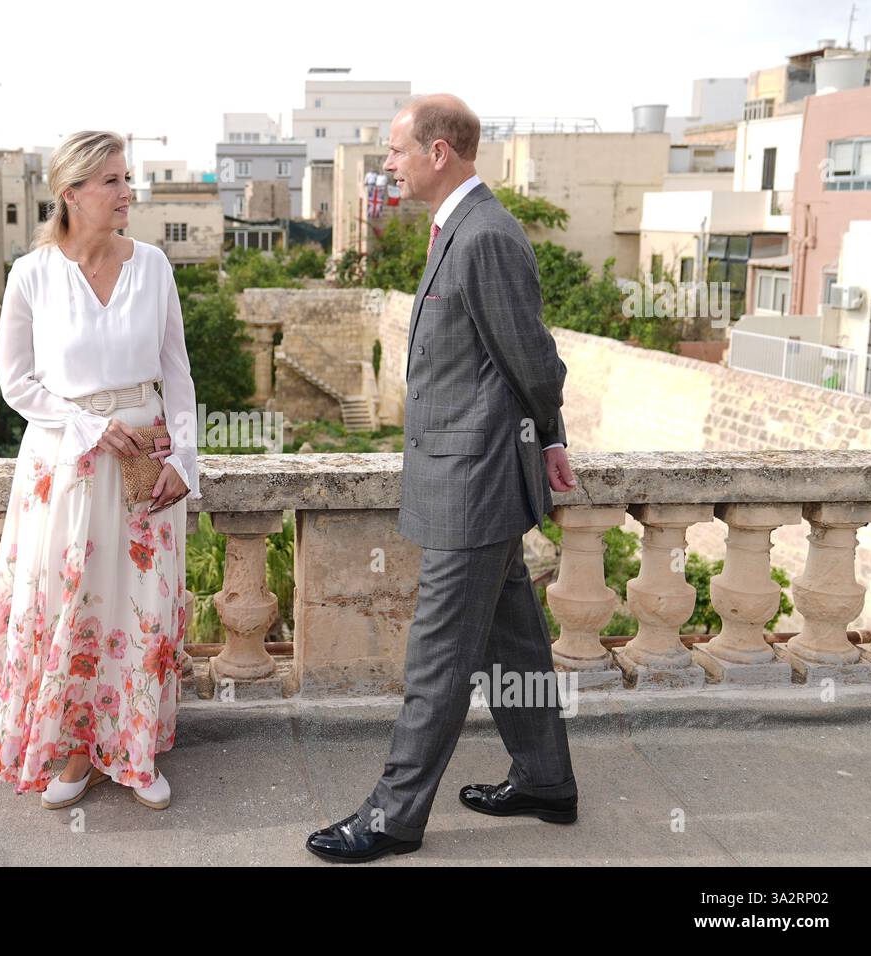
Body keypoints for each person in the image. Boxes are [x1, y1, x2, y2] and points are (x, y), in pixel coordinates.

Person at [305, 94, 579, 863]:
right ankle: (546, 779)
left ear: (437, 154)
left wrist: (550, 436)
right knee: (511, 642)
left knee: (436, 659)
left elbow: (532, 359)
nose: (387, 165)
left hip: (475, 481)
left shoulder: (485, 234)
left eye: (394, 152)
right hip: (466, 474)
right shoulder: (457, 226)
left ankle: (394, 816)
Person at [0, 130, 201, 813]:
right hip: (65, 464)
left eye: (128, 179)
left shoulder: (154, 265)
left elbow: (178, 371)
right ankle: (72, 750)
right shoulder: (31, 274)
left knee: (140, 606)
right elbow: (17, 383)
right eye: (113, 182)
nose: (129, 193)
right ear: (71, 193)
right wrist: (93, 427)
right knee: (69, 605)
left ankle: (133, 749)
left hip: (144, 465)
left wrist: (185, 459)